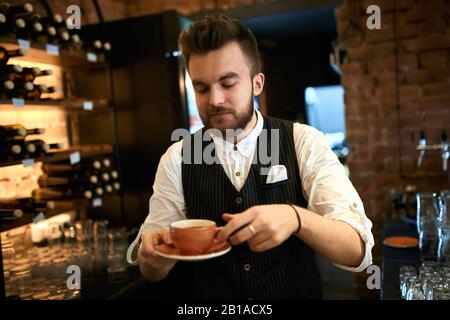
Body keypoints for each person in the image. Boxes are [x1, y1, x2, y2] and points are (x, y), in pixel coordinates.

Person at [127, 14, 374, 300]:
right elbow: (151, 271)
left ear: (257, 84)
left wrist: (297, 218)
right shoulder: (178, 157)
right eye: (202, 88)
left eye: (228, 83)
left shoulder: (302, 141)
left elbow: (358, 250)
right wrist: (152, 258)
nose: (214, 100)